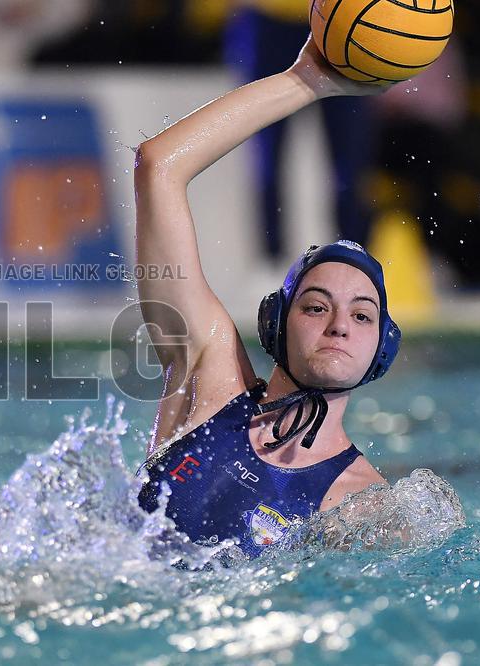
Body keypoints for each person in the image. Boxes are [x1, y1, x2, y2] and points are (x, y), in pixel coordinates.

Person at [132, 38, 399, 558]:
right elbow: (158, 165)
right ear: (276, 324)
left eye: (362, 315)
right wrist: (309, 81)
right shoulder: (206, 380)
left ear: (381, 348)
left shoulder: (368, 507)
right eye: (317, 306)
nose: (339, 325)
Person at [224, 0, 374, 262]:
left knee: (349, 161)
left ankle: (355, 258)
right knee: (267, 154)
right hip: (269, 18)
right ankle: (271, 259)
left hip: (342, 17)